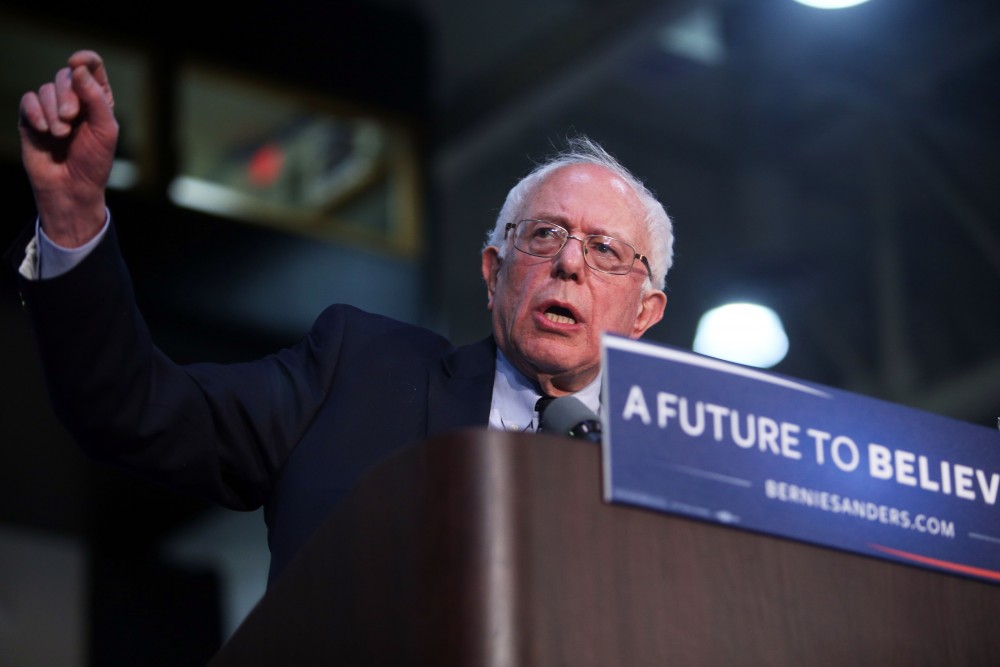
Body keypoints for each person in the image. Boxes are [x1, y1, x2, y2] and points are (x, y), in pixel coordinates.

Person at [8, 50, 674, 583]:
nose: (569, 264)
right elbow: (131, 408)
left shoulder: (682, 464)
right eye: (543, 235)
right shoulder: (356, 371)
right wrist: (72, 216)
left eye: (606, 250)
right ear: (493, 272)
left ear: (645, 311)